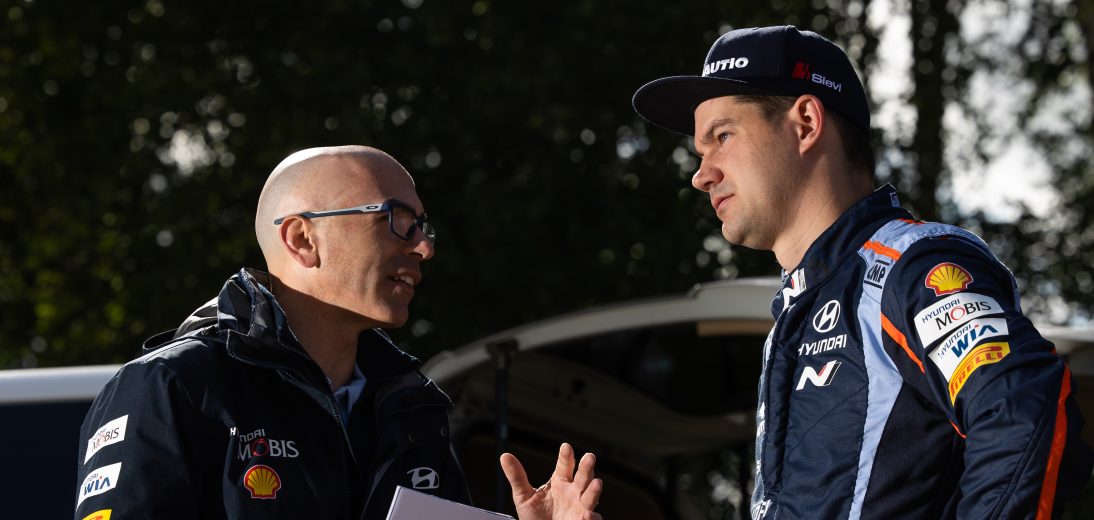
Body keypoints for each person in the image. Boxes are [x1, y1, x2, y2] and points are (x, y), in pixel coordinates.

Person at [632, 26, 1092, 519]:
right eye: (701, 153)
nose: (702, 175)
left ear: (806, 123)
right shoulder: (794, 315)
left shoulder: (909, 268)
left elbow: (1024, 418)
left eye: (721, 137)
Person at [74, 146, 602, 520]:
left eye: (423, 227)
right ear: (303, 239)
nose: (424, 247)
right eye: (397, 220)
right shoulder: (176, 387)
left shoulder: (413, 410)